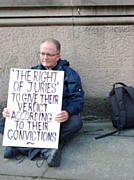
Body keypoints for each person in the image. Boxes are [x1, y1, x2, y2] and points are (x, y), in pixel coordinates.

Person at [0, 38, 84, 167]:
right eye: (42, 53)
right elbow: (21, 99)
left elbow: (78, 101)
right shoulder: (31, 73)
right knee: (2, 122)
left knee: (76, 122)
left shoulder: (70, 74)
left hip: (56, 120)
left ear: (58, 56)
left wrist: (67, 112)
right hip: (32, 120)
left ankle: (19, 148)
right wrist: (10, 110)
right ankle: (45, 151)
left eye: (49, 54)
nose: (45, 58)